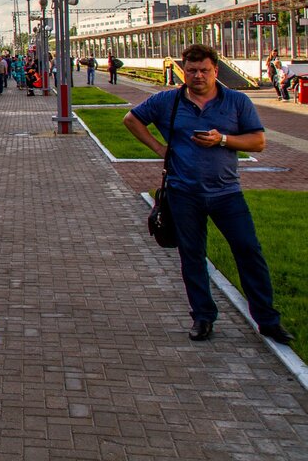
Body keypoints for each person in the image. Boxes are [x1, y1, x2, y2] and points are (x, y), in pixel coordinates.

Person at [122, 45, 293, 345]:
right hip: (183, 192)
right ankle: (203, 317)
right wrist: (160, 149)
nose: (198, 75)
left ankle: (267, 320)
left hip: (227, 193)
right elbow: (131, 119)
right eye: (191, 70)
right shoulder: (168, 101)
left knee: (249, 252)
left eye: (204, 70)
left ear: (215, 70)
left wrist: (222, 139)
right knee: (192, 257)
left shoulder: (236, 102)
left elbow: (258, 142)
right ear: (183, 71)